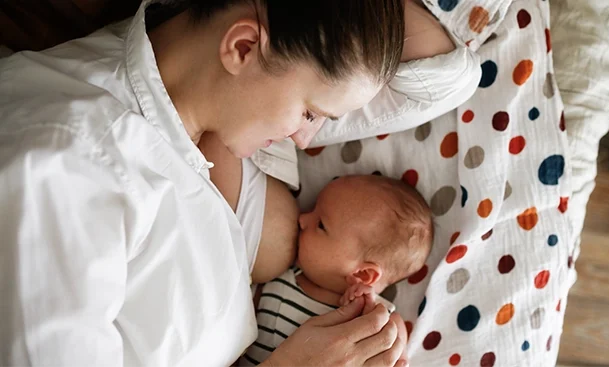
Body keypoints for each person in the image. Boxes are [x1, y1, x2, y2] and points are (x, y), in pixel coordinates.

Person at [0, 0, 479, 366]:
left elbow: (448, 77)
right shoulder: (66, 167)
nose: (308, 137)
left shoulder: (203, 98)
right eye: (310, 111)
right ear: (243, 47)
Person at [234, 175, 434, 366]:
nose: (302, 219)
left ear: (362, 274)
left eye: (321, 225)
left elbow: (392, 357)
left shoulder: (380, 319)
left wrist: (367, 312)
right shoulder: (279, 276)